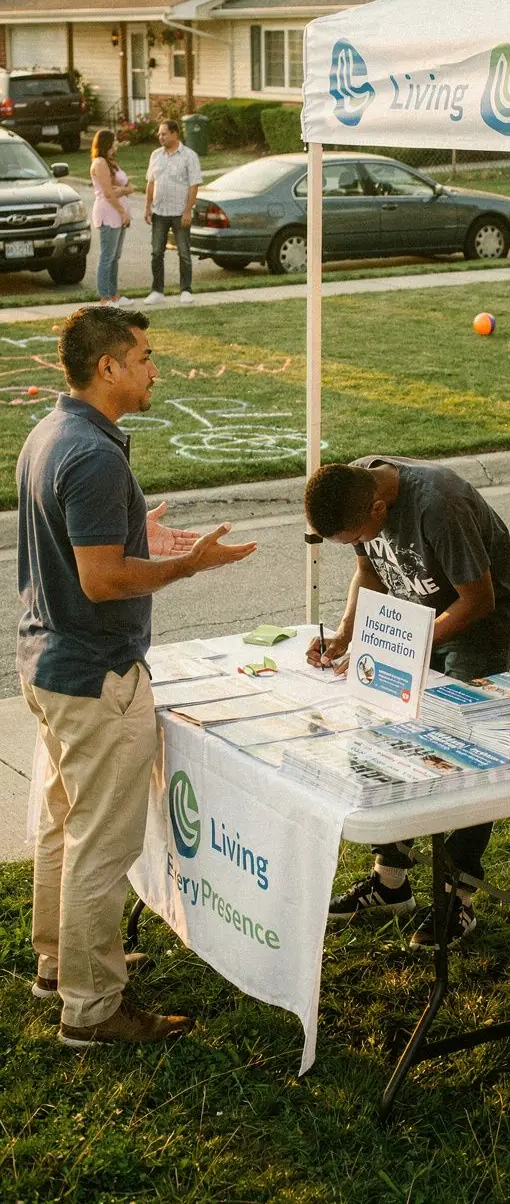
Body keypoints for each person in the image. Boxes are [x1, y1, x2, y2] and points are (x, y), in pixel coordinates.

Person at [17, 305, 257, 1047]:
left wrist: (139, 532)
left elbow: (82, 542)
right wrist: (186, 565)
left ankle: (60, 965)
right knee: (101, 843)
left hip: (51, 664)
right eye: (146, 357)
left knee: (64, 826)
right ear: (109, 367)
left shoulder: (54, 433)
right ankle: (91, 1010)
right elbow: (99, 579)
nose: (157, 369)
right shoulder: (91, 455)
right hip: (95, 674)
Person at [303, 456, 510, 947]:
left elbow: (479, 600)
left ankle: (457, 896)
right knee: (389, 731)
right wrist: (348, 632)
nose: (355, 548)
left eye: (353, 536)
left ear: (379, 508)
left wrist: (409, 644)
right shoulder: (357, 488)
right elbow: (370, 571)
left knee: (466, 751)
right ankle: (390, 882)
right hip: (420, 617)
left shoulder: (438, 505)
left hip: (478, 624)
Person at [144, 119, 202, 306]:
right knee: (156, 252)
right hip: (159, 211)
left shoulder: (189, 156)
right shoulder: (155, 155)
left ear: (175, 134)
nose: (160, 137)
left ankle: (185, 290)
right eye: (159, 134)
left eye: (164, 134)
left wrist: (187, 211)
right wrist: (148, 207)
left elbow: (194, 185)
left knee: (184, 252)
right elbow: (150, 182)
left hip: (180, 212)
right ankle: (157, 290)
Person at [89, 128, 134, 306]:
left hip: (119, 211)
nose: (116, 143)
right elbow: (108, 193)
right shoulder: (99, 163)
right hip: (109, 212)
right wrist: (122, 212)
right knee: (107, 256)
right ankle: (105, 297)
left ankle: (115, 294)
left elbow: (128, 187)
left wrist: (124, 190)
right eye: (114, 140)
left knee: (115, 256)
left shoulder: (111, 162)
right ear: (106, 142)